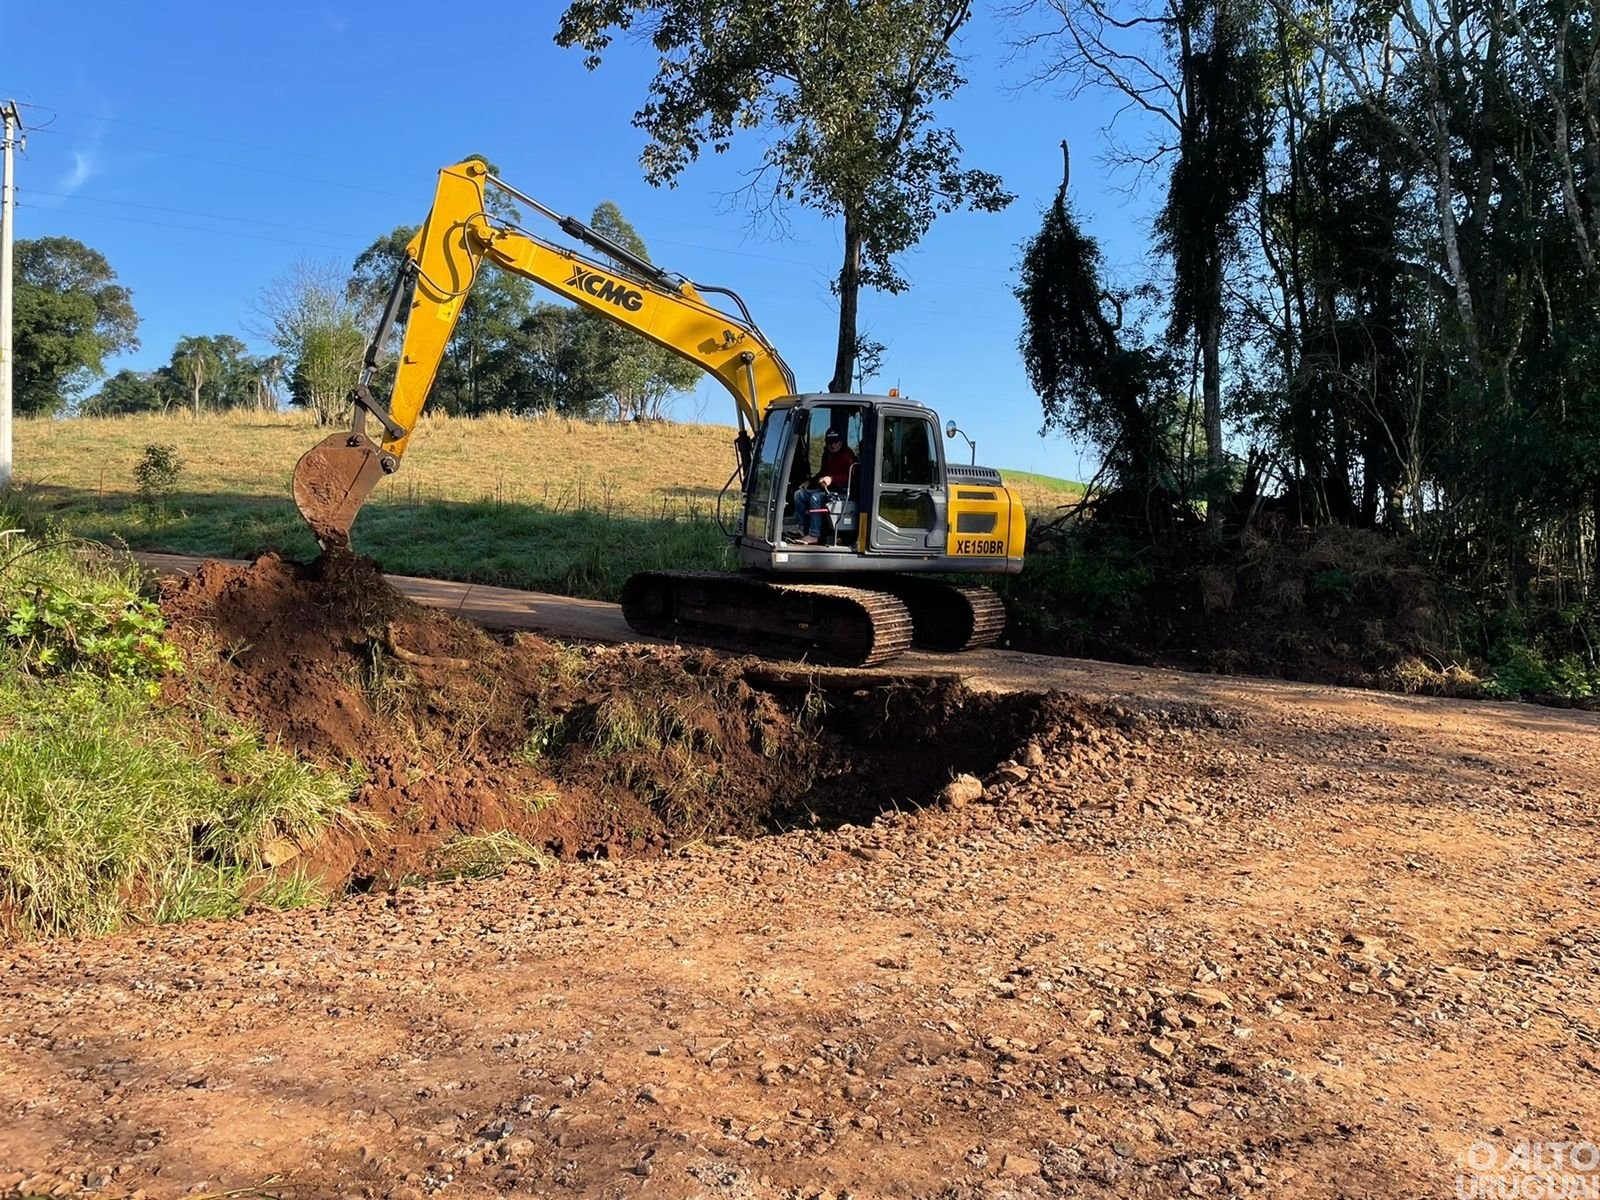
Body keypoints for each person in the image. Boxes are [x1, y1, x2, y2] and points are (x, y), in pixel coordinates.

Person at [790, 429, 857, 544]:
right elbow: (822, 473)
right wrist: (809, 482)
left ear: (841, 442)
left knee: (816, 498)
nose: (833, 445)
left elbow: (852, 476)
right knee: (799, 495)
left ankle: (814, 535)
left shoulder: (847, 455)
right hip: (826, 490)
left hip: (842, 492)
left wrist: (832, 479)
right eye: (830, 442)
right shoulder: (827, 455)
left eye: (836, 442)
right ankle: (802, 529)